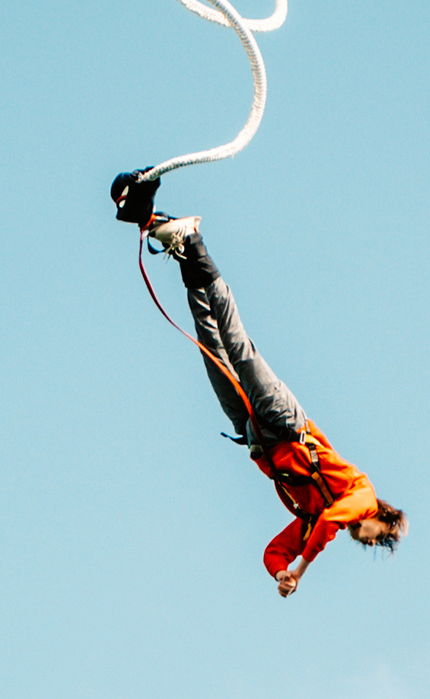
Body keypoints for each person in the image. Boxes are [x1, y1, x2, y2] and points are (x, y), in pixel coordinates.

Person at [141, 210, 407, 598]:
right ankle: (196, 241)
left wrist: (282, 571)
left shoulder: (314, 517)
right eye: (379, 537)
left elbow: (274, 550)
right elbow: (334, 520)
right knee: (237, 344)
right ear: (382, 517)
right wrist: (302, 569)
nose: (369, 542)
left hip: (255, 435)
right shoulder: (362, 498)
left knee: (210, 343)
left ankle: (182, 251)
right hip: (285, 422)